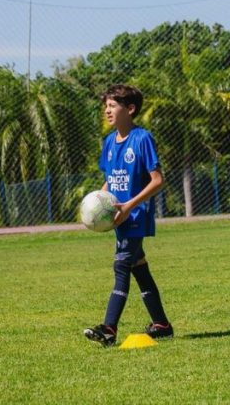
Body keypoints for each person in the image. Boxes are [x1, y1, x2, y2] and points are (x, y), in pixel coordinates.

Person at [84, 84, 173, 347]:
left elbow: (157, 180)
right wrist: (94, 205)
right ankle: (162, 325)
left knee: (121, 266)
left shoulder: (142, 139)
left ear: (130, 109)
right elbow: (109, 182)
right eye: (106, 106)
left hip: (135, 216)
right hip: (119, 217)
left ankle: (109, 329)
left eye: (112, 106)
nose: (107, 110)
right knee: (139, 269)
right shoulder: (109, 143)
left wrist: (129, 206)